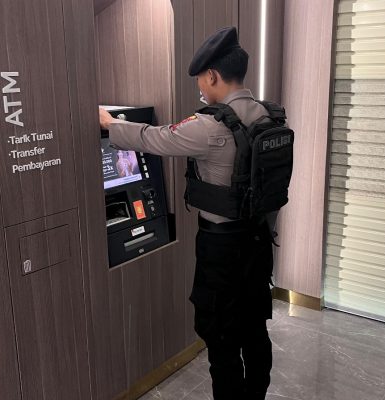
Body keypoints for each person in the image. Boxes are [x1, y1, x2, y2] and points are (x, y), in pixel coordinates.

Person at [99, 26, 280, 399]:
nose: (200, 85)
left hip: (222, 250)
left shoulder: (209, 126)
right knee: (254, 330)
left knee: (222, 339)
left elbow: (153, 137)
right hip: (259, 242)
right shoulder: (271, 117)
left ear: (212, 76)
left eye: (200, 78)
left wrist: (110, 123)